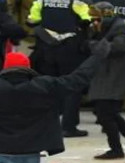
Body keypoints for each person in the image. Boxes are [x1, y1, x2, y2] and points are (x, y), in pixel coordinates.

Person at [27, 0, 92, 138]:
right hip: (70, 48)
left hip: (46, 48)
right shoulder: (76, 2)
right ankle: (68, 126)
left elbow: (33, 20)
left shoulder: (42, 2)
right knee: (72, 86)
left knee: (47, 86)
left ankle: (45, 124)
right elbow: (87, 19)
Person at [87, 2, 125, 159]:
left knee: (105, 115)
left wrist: (95, 43)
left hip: (114, 77)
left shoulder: (120, 28)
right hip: (104, 77)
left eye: (97, 17)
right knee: (111, 114)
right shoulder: (103, 28)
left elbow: (118, 48)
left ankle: (116, 149)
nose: (94, 21)